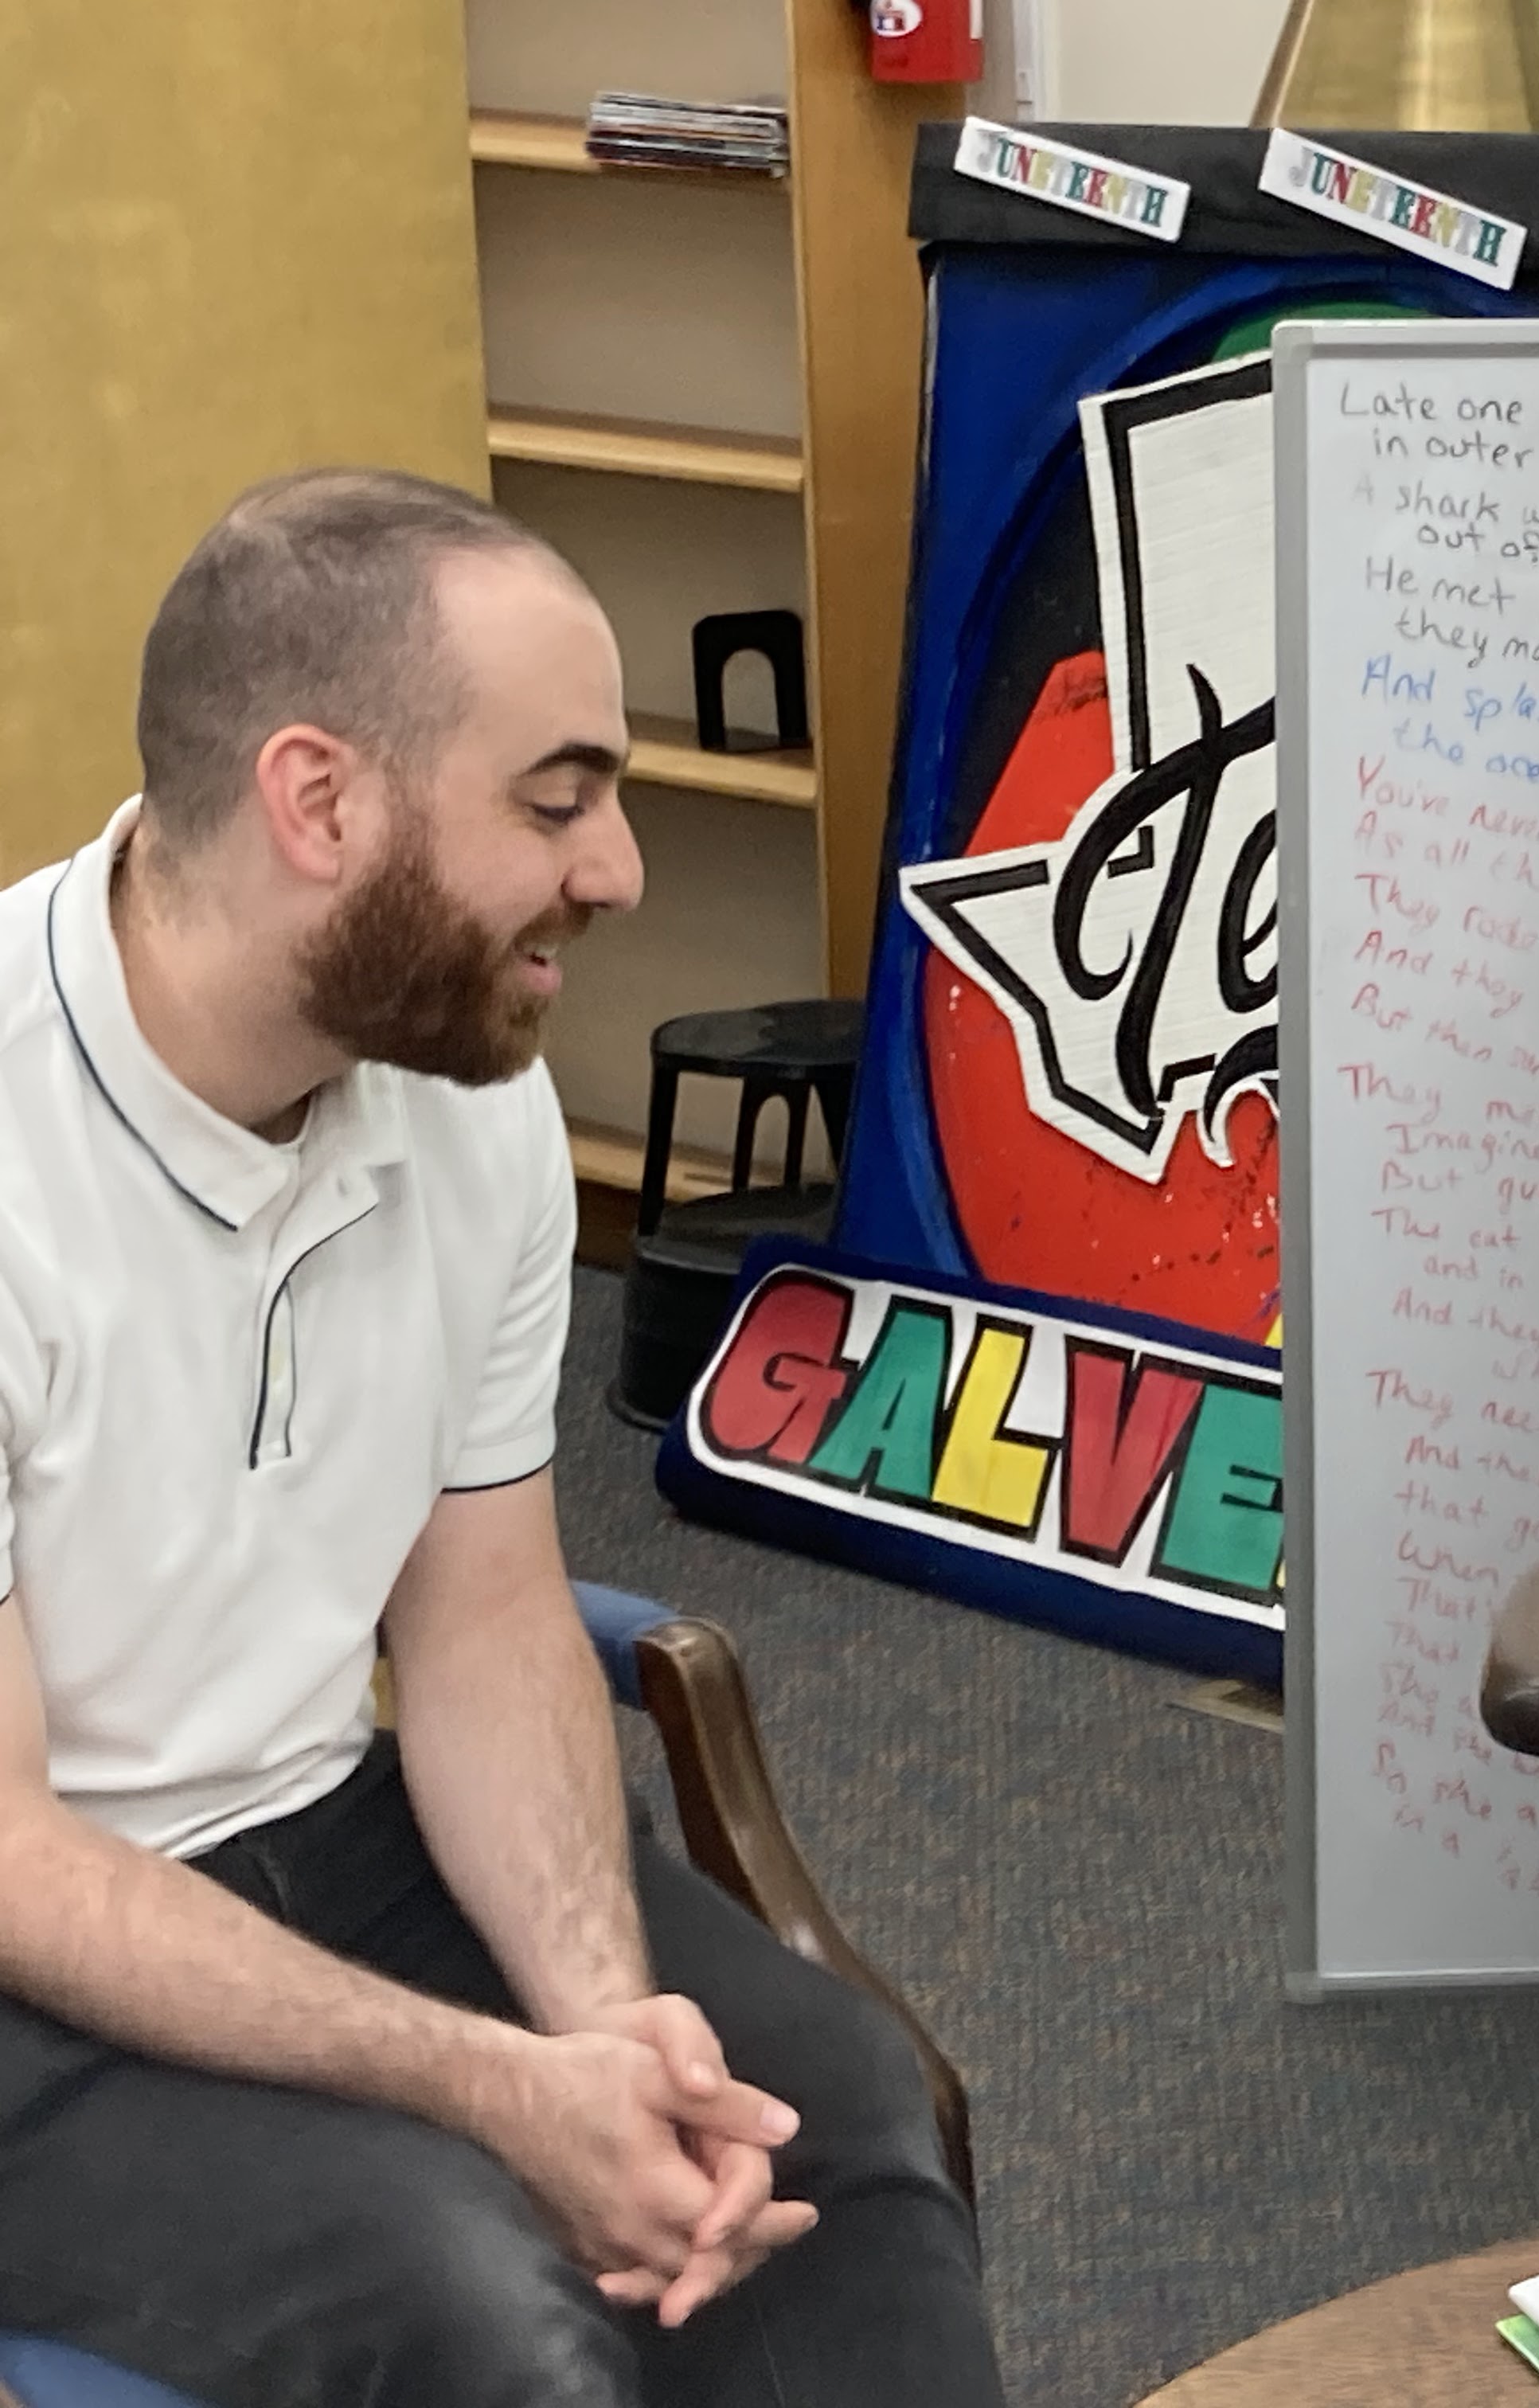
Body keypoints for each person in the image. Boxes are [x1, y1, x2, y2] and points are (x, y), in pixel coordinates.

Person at [0, 469, 1005, 2406]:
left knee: (827, 2139)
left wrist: (613, 2043)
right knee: (488, 2311)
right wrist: (497, 2088)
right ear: (320, 802)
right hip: (29, 1945)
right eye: (555, 803)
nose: (617, 869)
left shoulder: (471, 1106)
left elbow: (478, 1625)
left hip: (317, 1823)